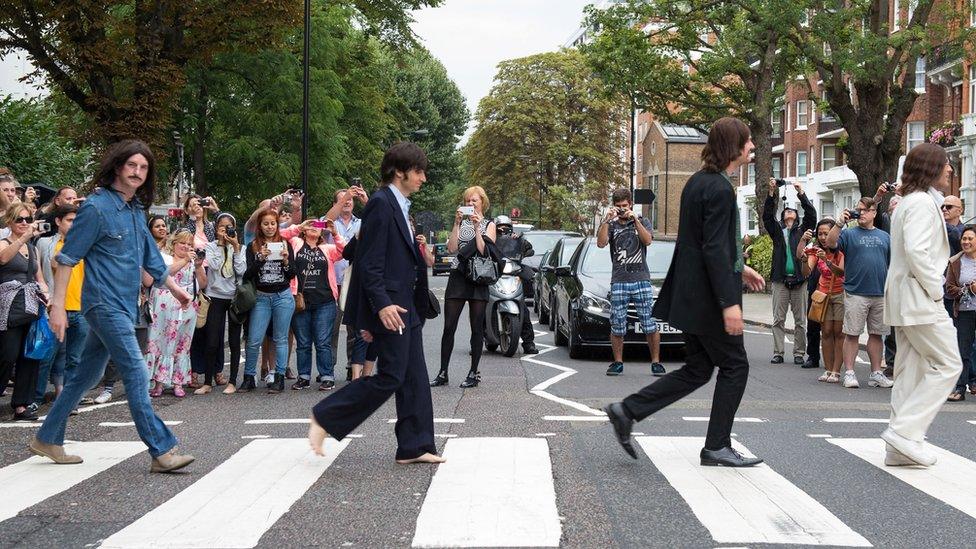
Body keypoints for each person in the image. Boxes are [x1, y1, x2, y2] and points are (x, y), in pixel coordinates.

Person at [603, 117, 766, 467]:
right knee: (735, 367)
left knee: (698, 369)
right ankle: (717, 446)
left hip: (691, 296)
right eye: (748, 141)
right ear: (734, 147)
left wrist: (741, 268)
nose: (752, 147)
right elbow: (712, 249)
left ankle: (627, 410)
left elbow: (705, 244)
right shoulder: (720, 188)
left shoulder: (697, 182)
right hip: (709, 301)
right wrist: (729, 303)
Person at [31, 139, 194, 472]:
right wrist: (58, 307)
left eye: (143, 167)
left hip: (126, 305)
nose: (137, 172)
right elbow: (66, 258)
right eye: (131, 165)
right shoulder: (96, 207)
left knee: (84, 377)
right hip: (103, 305)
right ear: (118, 167)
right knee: (136, 371)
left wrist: (177, 291)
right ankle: (161, 450)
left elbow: (153, 262)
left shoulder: (136, 210)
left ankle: (47, 437)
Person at [308, 142, 442, 464]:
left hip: (405, 305)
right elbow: (369, 263)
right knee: (392, 375)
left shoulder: (398, 205)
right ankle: (326, 417)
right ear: (400, 172)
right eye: (419, 171)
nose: (423, 178)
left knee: (414, 377)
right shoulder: (381, 204)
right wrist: (379, 307)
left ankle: (416, 446)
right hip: (392, 307)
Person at [881, 143, 962, 467]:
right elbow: (917, 252)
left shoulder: (914, 202)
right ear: (931, 168)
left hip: (907, 298)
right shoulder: (921, 204)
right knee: (948, 364)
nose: (950, 170)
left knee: (909, 372)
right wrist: (936, 290)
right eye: (945, 164)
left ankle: (898, 448)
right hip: (919, 297)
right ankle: (904, 432)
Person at [430, 185, 497, 388]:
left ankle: (473, 372)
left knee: (477, 328)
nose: (470, 204)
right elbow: (451, 248)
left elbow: (484, 250)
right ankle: (443, 372)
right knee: (449, 326)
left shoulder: (489, 224)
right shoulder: (460, 223)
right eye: (467, 201)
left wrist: (478, 227)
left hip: (479, 277)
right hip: (458, 275)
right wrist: (457, 223)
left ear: (482, 202)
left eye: (474, 201)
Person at [826, 197, 894, 389]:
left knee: (877, 334)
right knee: (852, 334)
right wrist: (839, 223)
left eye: (865, 210)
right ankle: (849, 372)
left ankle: (876, 373)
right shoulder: (848, 234)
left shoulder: (884, 237)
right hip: (856, 292)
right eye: (859, 210)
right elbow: (830, 243)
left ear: (874, 213)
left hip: (879, 292)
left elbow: (891, 263)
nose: (861, 213)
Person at [597, 188, 665, 376]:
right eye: (618, 206)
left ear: (630, 205)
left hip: (641, 279)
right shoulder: (611, 225)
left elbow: (648, 241)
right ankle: (618, 362)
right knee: (617, 323)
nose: (621, 209)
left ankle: (656, 362)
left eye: (624, 206)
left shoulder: (642, 221)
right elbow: (601, 243)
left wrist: (635, 220)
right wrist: (606, 219)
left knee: (649, 323)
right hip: (619, 280)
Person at [34, 205, 88, 407]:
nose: (74, 225)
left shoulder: (85, 244)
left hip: (81, 308)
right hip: (56, 308)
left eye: (77, 221)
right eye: (70, 220)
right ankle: (36, 398)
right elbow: (42, 270)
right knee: (48, 356)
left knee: (75, 359)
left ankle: (68, 399)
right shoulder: (45, 243)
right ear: (58, 221)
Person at [0, 202, 49, 420]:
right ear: (9, 221)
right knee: (7, 355)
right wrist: (23, 237)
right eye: (19, 219)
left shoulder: (32, 248)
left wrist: (47, 296)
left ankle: (21, 404)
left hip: (31, 304)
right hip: (8, 306)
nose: (24, 223)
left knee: (30, 355)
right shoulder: (4, 243)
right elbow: (3, 258)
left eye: (28, 219)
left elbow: (40, 278)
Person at [282, 219, 344, 390]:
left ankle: (327, 376)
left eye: (318, 226)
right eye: (311, 225)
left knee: (323, 341)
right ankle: (303, 376)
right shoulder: (296, 243)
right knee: (303, 342)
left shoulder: (327, 249)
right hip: (301, 300)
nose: (314, 228)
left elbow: (345, 251)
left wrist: (335, 233)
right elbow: (281, 235)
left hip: (325, 301)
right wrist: (299, 227)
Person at [240, 208, 296, 394]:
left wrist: (286, 262)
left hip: (283, 296)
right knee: (254, 339)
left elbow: (292, 274)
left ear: (277, 225)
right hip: (262, 297)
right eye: (266, 224)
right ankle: (249, 377)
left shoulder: (285, 244)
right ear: (260, 226)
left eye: (273, 223)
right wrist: (260, 259)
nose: (270, 227)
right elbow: (247, 275)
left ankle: (279, 378)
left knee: (280, 338)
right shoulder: (253, 246)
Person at [144, 229, 206, 397]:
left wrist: (199, 266)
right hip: (164, 305)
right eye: (182, 243)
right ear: (174, 243)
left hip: (187, 306)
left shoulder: (193, 261)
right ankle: (159, 383)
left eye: (189, 244)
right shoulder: (165, 257)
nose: (185, 247)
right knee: (160, 342)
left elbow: (202, 283)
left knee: (182, 344)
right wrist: (185, 260)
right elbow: (162, 275)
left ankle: (178, 382)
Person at [763, 179, 816, 365]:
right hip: (780, 280)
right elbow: (767, 216)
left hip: (800, 281)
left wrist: (801, 193)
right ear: (783, 216)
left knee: (800, 320)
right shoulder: (777, 230)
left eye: (792, 211)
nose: (789, 212)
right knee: (778, 319)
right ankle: (778, 352)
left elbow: (811, 214)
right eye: (786, 211)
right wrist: (771, 193)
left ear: (797, 215)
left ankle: (799, 353)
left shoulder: (803, 231)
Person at [196, 213, 246, 395]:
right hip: (214, 296)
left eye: (229, 227)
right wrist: (219, 243)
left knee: (234, 341)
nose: (225, 231)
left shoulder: (241, 248)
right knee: (212, 340)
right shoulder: (210, 246)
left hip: (234, 298)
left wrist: (236, 247)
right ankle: (207, 382)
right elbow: (215, 266)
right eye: (222, 227)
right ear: (216, 229)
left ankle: (232, 381)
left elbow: (241, 270)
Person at [323, 187, 367, 380]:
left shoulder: (362, 222)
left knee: (354, 329)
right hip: (333, 282)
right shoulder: (331, 223)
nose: (348, 201)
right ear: (336, 203)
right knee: (331, 329)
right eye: (342, 199)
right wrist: (344, 198)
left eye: (350, 199)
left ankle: (352, 366)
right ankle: (328, 369)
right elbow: (324, 223)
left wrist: (366, 199)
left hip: (354, 282)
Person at [799, 220, 846, 383]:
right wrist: (805, 260)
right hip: (823, 294)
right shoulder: (816, 250)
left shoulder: (841, 249)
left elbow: (841, 272)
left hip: (840, 293)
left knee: (839, 332)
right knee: (826, 332)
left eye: (827, 233)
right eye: (820, 234)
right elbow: (807, 272)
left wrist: (827, 260)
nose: (824, 237)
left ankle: (836, 371)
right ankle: (828, 369)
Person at [493, 215, 538, 354]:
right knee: (481, 305)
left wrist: (521, 242)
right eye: (499, 228)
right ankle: (475, 340)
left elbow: (528, 248)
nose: (503, 231)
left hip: (512, 275)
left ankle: (528, 343)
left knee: (523, 308)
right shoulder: (490, 240)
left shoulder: (515, 240)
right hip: (494, 275)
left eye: (506, 228)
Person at [945, 226, 976, 401]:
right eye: (964, 239)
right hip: (964, 311)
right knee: (963, 351)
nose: (966, 242)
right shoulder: (955, 261)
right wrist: (968, 289)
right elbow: (949, 289)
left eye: (970, 238)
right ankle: (959, 388)